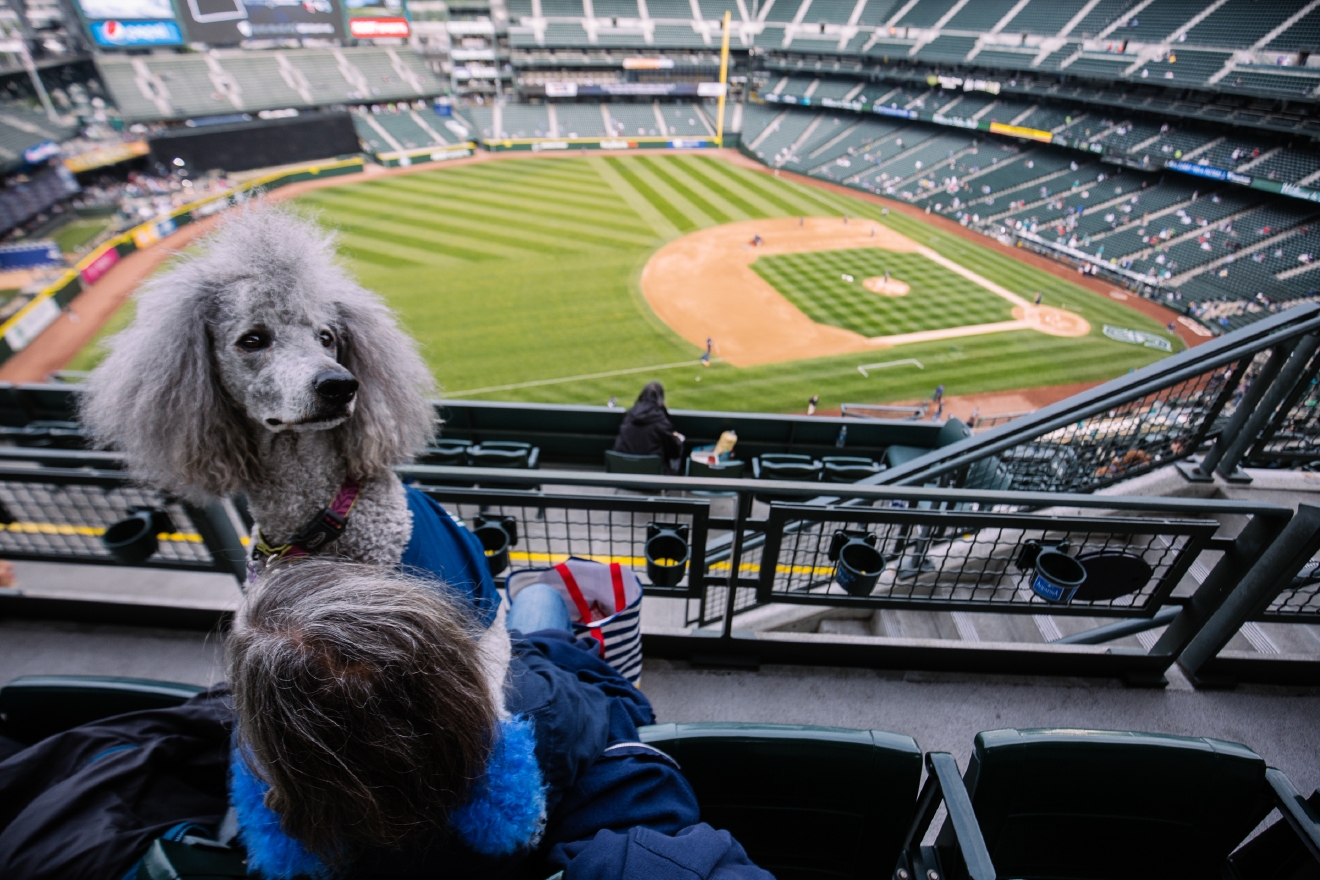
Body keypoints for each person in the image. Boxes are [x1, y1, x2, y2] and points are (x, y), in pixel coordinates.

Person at [0, 561, 773, 879]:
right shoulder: (640, 841)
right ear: (465, 681)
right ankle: (540, 601)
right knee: (538, 606)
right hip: (560, 693)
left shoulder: (258, 785)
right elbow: (626, 708)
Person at [613, 381, 685, 474]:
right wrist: (677, 439)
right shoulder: (660, 420)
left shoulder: (630, 415)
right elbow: (675, 452)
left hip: (624, 474)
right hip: (653, 477)